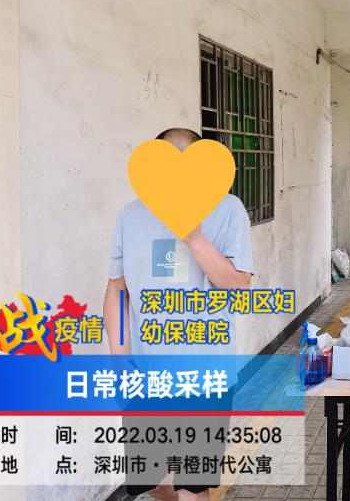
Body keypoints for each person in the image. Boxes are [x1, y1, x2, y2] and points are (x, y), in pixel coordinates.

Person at [104, 128, 254, 500]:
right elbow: (117, 290)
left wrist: (195, 239)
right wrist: (120, 362)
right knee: (152, 480)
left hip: (205, 375)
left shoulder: (228, 209)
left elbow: (238, 286)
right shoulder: (130, 216)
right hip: (145, 374)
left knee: (192, 482)